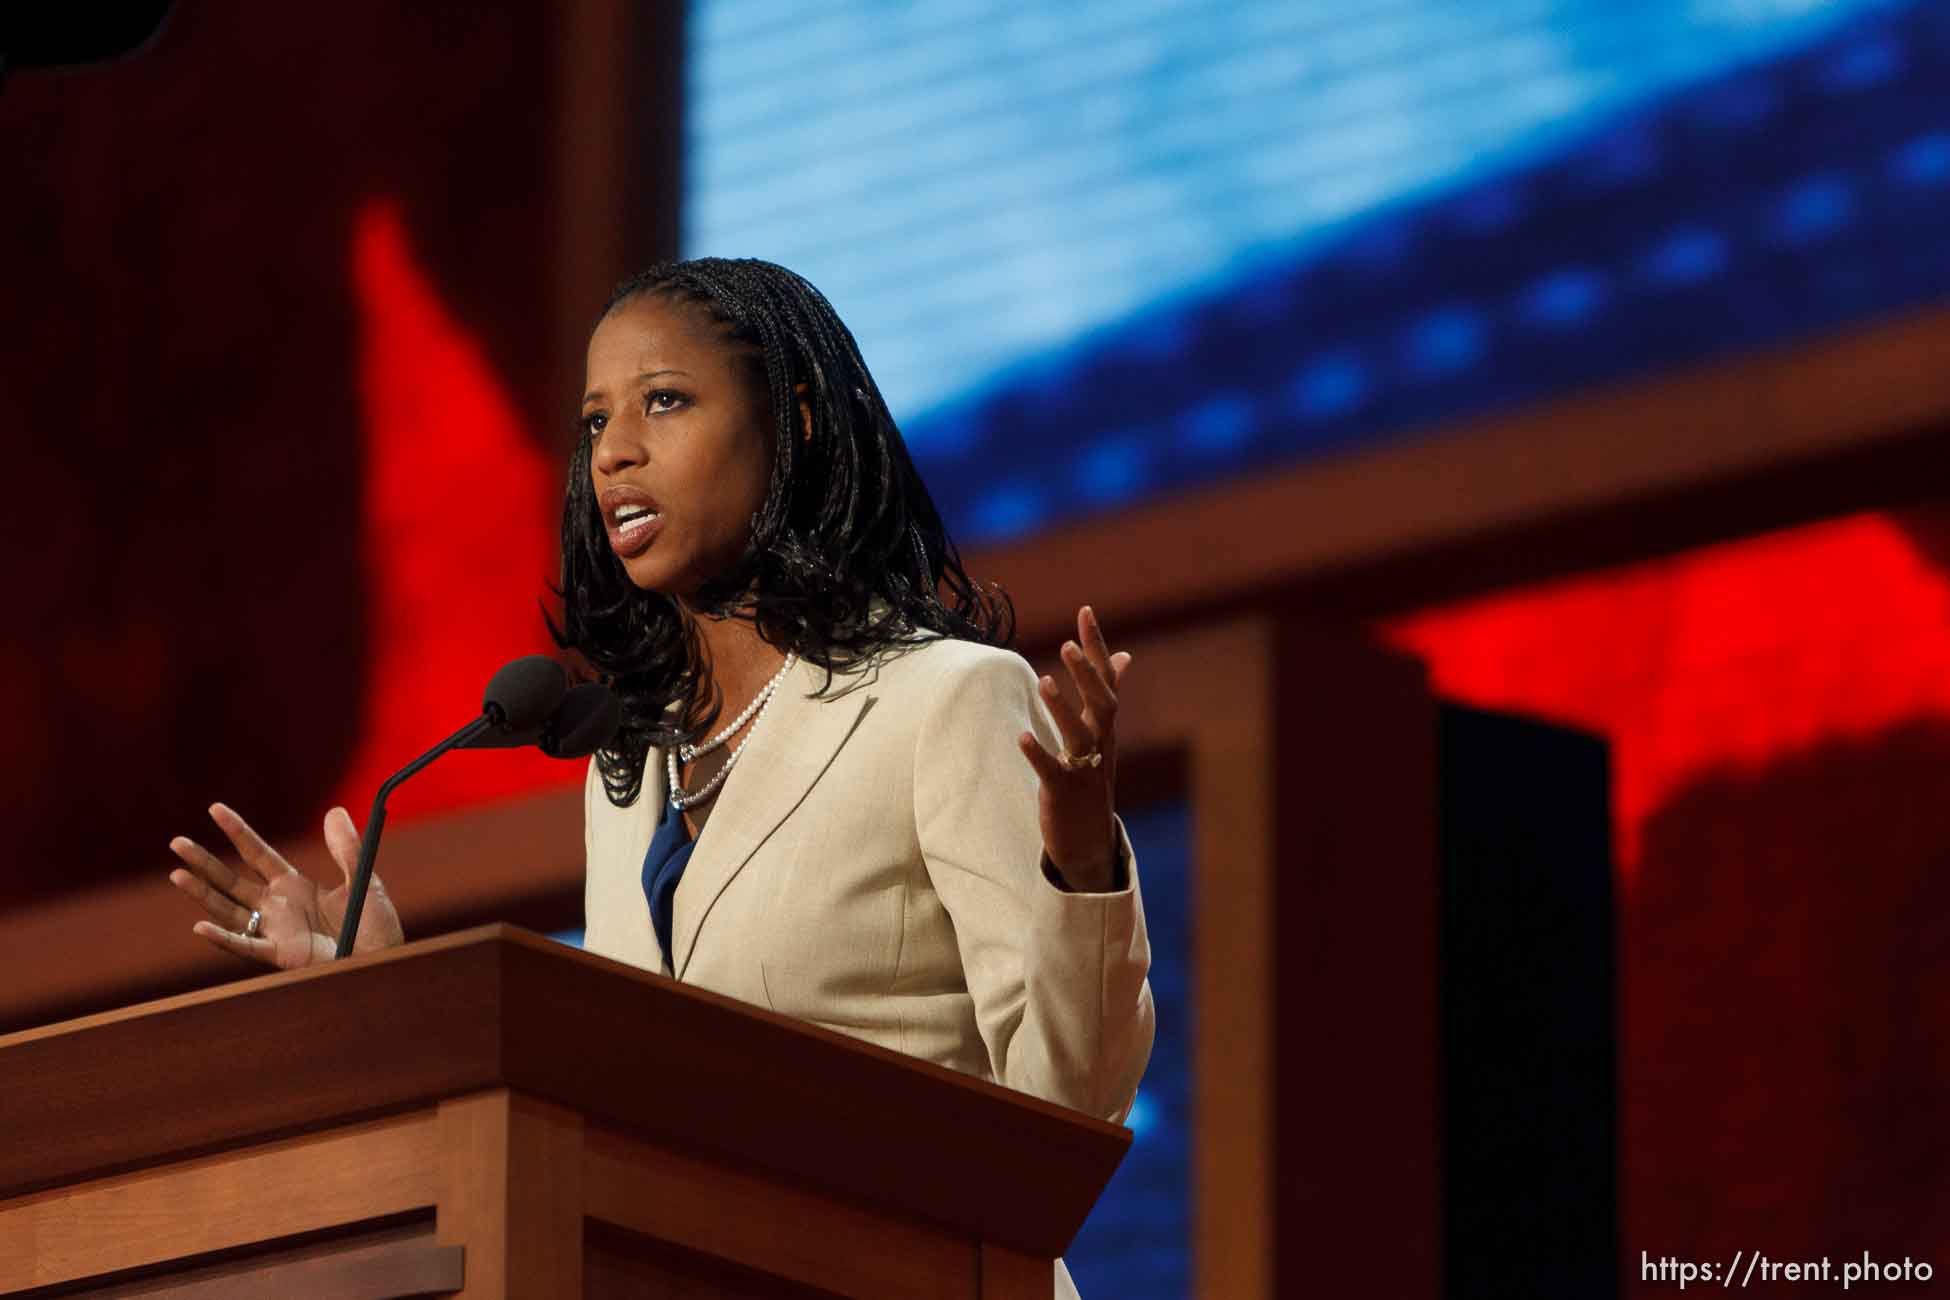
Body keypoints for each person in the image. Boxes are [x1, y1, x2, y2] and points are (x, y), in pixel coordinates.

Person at [168, 258, 1154, 1299]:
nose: (616, 454)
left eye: (665, 402)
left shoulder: (944, 700)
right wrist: (400, 1005)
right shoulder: (630, 768)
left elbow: (1068, 1109)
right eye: (596, 423)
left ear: (797, 421)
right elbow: (626, 1121)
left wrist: (1079, 857)